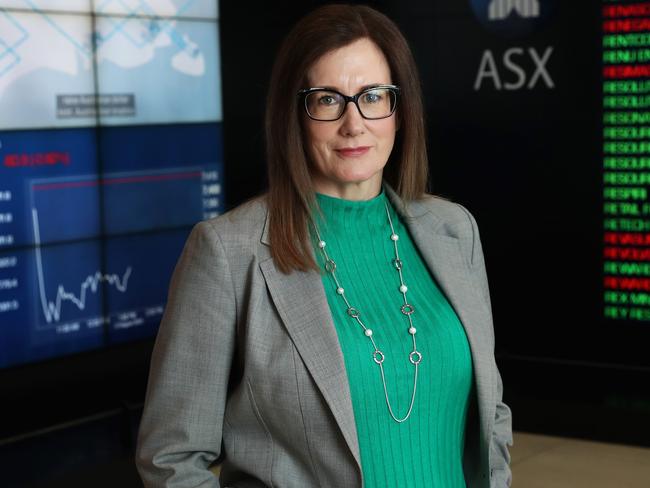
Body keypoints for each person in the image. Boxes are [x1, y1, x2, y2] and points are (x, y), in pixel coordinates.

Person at [136, 4, 512, 487]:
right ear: (293, 113)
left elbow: (491, 410)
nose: (354, 124)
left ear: (400, 110)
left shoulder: (454, 230)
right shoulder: (228, 252)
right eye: (328, 100)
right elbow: (172, 458)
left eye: (373, 96)